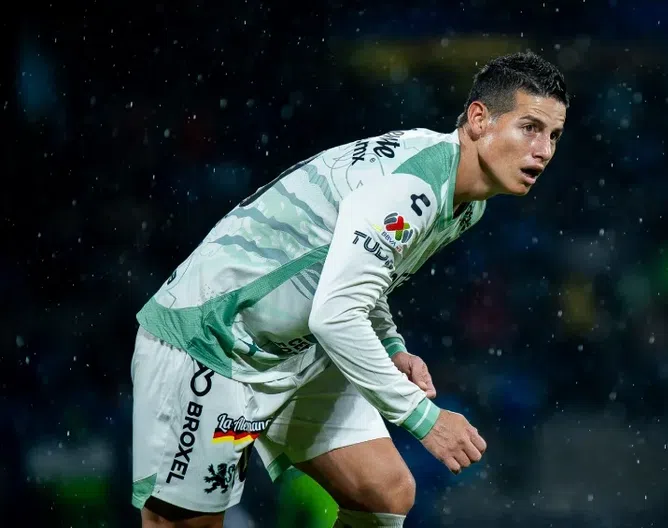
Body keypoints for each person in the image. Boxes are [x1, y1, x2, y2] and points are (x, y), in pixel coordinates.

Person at [131, 50, 568, 528]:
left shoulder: (466, 201)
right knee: (184, 524)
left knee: (383, 495)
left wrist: (391, 345)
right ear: (479, 120)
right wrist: (425, 420)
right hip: (212, 341)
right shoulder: (411, 187)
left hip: (296, 349)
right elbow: (336, 314)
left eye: (553, 135)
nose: (544, 150)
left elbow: (360, 276)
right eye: (530, 127)